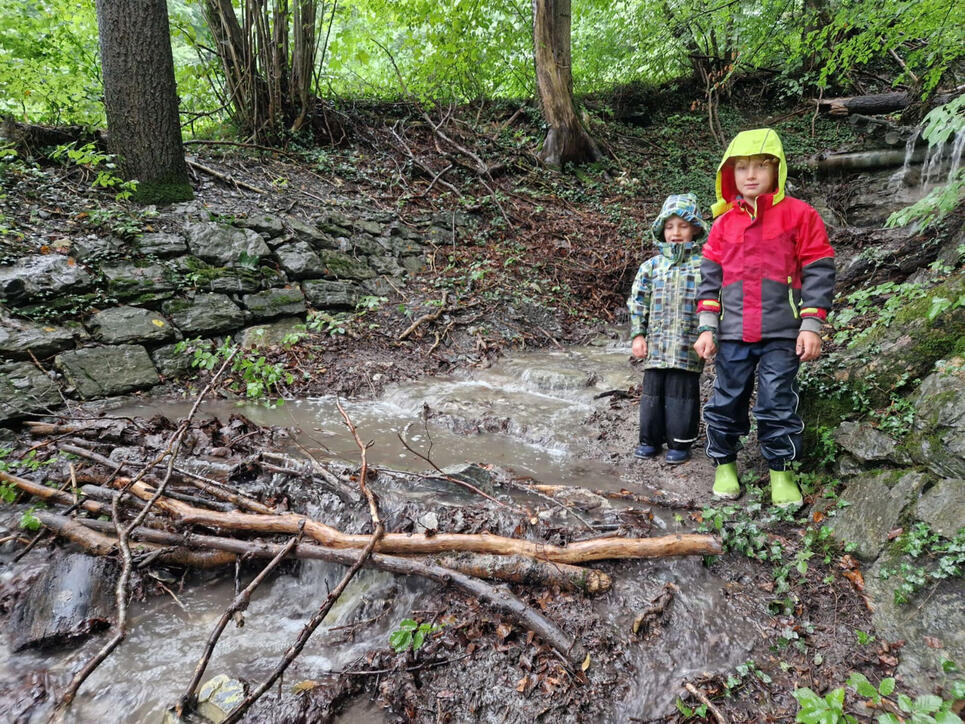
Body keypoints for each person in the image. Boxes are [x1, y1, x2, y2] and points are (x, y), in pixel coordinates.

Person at [694, 128, 835, 508]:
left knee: (776, 401)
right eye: (741, 168)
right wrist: (707, 327)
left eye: (760, 166)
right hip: (734, 331)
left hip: (782, 333)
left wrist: (811, 325)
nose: (751, 175)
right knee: (726, 399)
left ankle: (781, 472)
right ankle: (724, 464)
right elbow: (710, 279)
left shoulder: (800, 215)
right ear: (730, 174)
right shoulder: (723, 224)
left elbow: (819, 269)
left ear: (778, 170)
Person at [627, 193, 709, 464]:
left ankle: (680, 443)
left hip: (688, 346)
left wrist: (710, 334)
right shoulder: (651, 267)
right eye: (670, 227)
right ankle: (649, 440)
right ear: (662, 230)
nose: (675, 233)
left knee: (682, 395)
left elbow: (713, 303)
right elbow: (638, 302)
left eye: (683, 226)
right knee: (652, 395)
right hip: (657, 345)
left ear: (695, 229)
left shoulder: (705, 266)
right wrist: (638, 334)